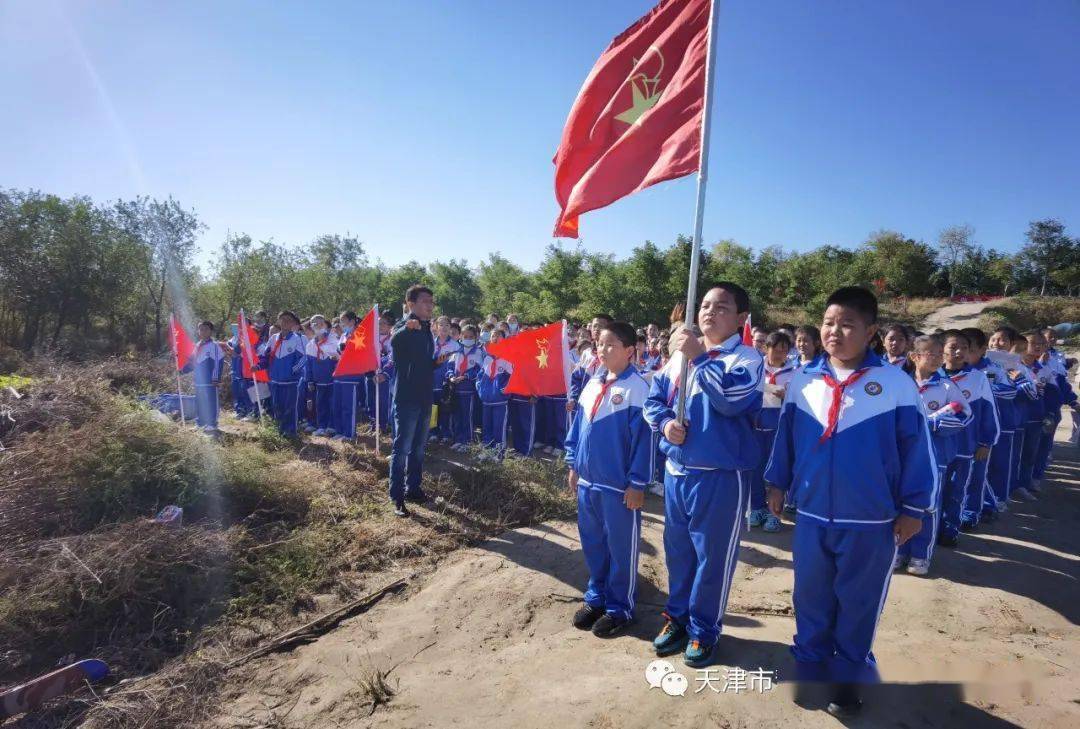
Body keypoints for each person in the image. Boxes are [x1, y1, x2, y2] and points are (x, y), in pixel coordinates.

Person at [764, 286, 935, 715]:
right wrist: (777, 483)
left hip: (871, 520)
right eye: (828, 323)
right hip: (812, 514)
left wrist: (914, 508)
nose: (834, 332)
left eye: (846, 324)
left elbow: (917, 448)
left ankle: (848, 677)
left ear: (870, 331)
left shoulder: (895, 384)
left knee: (858, 602)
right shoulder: (804, 380)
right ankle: (810, 667)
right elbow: (786, 439)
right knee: (810, 596)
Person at [644, 283, 764, 669]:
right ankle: (678, 618)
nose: (710, 312)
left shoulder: (746, 359)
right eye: (706, 305)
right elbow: (653, 401)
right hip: (677, 472)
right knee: (679, 554)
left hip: (720, 476)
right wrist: (666, 425)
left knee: (712, 559)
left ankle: (704, 629)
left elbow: (729, 401)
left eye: (722, 307)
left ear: (741, 318)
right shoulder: (679, 358)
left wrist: (699, 357)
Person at [566, 321, 652, 637]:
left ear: (629, 351)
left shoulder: (638, 388)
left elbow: (645, 441)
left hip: (618, 487)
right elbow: (578, 428)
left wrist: (637, 483)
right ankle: (597, 597)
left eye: (611, 344)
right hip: (588, 483)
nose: (603, 350)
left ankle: (620, 607)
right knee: (593, 543)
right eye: (600, 343)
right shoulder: (593, 382)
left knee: (620, 547)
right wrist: (573, 463)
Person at [897, 334, 970, 575]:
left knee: (927, 505)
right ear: (914, 356)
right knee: (900, 503)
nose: (938, 358)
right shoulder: (901, 383)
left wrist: (935, 424)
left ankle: (921, 555)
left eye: (941, 354)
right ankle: (899, 550)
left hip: (934, 457)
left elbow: (965, 415)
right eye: (932, 354)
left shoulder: (946, 386)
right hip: (902, 456)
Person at [939, 329, 998, 535]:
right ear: (942, 349)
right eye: (953, 347)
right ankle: (933, 529)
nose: (959, 352)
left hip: (964, 445)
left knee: (957, 489)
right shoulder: (933, 376)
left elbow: (989, 411)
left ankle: (950, 530)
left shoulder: (977, 378)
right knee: (935, 489)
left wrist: (986, 442)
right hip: (937, 445)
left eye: (964, 348)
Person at [388, 285, 437, 516]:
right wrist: (407, 329)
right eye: (425, 301)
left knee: (418, 448)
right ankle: (397, 497)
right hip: (406, 398)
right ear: (411, 304)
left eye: (432, 301)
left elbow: (421, 362)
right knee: (402, 448)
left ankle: (413, 489)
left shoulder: (427, 329)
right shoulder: (404, 325)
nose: (430, 305)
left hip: (425, 396)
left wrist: (435, 363)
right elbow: (394, 341)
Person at [963, 327, 1014, 522]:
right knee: (962, 473)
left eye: (970, 350)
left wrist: (986, 389)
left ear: (982, 350)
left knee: (978, 473)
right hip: (960, 430)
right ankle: (980, 505)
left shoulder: (993, 369)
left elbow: (1010, 391)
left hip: (982, 429)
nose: (963, 354)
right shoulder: (952, 370)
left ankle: (973, 512)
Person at [749, 331, 795, 533]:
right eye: (776, 349)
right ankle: (757, 507)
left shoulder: (794, 372)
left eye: (784, 350)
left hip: (779, 425)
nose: (779, 353)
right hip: (757, 423)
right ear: (766, 348)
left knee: (776, 468)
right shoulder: (757, 368)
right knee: (755, 467)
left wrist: (788, 395)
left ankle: (774, 513)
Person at [261, 311, 306, 436]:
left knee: (290, 408)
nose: (285, 322)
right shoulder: (273, 338)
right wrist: (258, 366)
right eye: (283, 319)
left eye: (288, 320)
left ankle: (291, 433)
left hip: (290, 381)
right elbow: (265, 356)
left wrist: (292, 371)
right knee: (277, 407)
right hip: (275, 380)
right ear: (278, 321)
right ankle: (280, 432)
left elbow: (303, 358)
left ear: (293, 323)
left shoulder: (297, 339)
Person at [182, 321, 224, 433]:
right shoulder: (197, 345)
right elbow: (192, 362)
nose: (203, 331)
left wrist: (215, 378)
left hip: (210, 382)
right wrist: (182, 370)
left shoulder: (214, 346)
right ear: (198, 331)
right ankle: (200, 423)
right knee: (199, 402)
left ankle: (212, 424)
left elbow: (218, 363)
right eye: (201, 329)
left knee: (211, 402)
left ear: (211, 331)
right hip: (198, 381)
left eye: (206, 329)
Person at [447, 324, 484, 450]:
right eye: (465, 336)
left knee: (467, 416)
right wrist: (451, 376)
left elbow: (479, 369)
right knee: (457, 415)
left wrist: (466, 376)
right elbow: (450, 366)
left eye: (471, 337)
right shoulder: (456, 350)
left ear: (475, 337)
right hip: (456, 389)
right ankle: (458, 439)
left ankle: (468, 441)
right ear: (461, 336)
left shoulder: (478, 352)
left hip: (469, 390)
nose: (468, 339)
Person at [477, 329, 512, 458]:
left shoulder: (507, 358)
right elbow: (480, 375)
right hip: (486, 399)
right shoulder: (487, 357)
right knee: (487, 426)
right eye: (493, 336)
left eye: (498, 336)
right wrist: (480, 388)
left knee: (499, 427)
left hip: (500, 400)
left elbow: (512, 377)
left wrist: (504, 389)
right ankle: (487, 450)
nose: (495, 338)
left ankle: (499, 452)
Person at [330, 311, 364, 440]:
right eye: (340, 321)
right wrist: (338, 354)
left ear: (352, 321)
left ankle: (349, 434)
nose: (341, 324)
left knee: (348, 406)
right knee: (337, 404)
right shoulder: (343, 335)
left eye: (344, 321)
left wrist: (348, 350)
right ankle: (340, 431)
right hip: (339, 372)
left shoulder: (359, 334)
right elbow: (340, 351)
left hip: (352, 375)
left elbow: (361, 352)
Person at [304, 315, 339, 436]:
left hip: (332, 379)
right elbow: (308, 365)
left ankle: (332, 426)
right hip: (318, 380)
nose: (318, 326)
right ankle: (321, 426)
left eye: (321, 323)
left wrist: (323, 344)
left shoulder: (333, 339)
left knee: (332, 403)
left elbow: (336, 355)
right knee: (320, 404)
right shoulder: (310, 345)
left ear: (325, 324)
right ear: (311, 326)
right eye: (315, 324)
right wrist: (309, 380)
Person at [224, 322, 255, 420]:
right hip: (235, 369)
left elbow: (239, 353)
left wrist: (231, 349)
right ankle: (240, 410)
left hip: (246, 370)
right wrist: (227, 347)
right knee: (237, 391)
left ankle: (251, 411)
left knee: (246, 391)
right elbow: (231, 351)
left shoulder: (250, 339)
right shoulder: (235, 338)